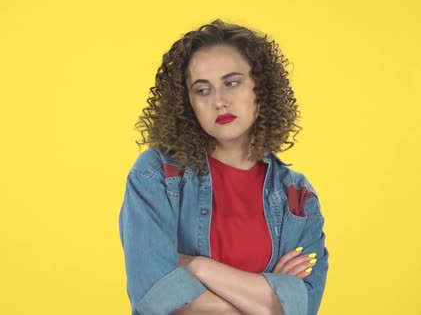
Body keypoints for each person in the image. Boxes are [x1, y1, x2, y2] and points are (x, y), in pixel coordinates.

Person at [118, 19, 329, 315]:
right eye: (202, 90)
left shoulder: (297, 197)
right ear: (187, 102)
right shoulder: (157, 175)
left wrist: (195, 266)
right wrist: (265, 297)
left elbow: (303, 305)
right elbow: (156, 297)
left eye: (232, 83)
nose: (219, 101)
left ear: (261, 87)